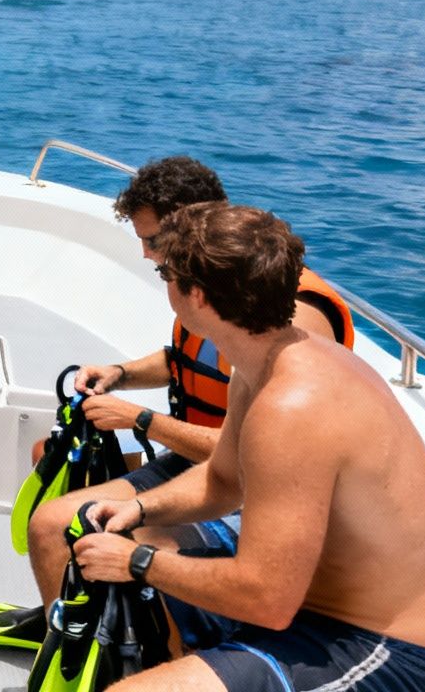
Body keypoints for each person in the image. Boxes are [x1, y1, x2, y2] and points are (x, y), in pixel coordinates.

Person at [70, 203, 425, 692]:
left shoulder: (293, 405)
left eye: (167, 272)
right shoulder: (261, 364)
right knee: (115, 547)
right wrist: (138, 509)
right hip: (309, 608)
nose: (162, 280)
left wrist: (137, 563)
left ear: (198, 297)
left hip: (377, 650)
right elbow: (223, 481)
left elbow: (267, 599)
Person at [25, 157, 357, 605]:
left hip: (247, 485)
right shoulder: (213, 285)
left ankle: (88, 642)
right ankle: (70, 624)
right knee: (48, 456)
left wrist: (140, 420)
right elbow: (187, 359)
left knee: (57, 524)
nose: (145, 252)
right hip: (196, 460)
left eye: (153, 240)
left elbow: (245, 459)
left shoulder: (280, 312)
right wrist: (120, 375)